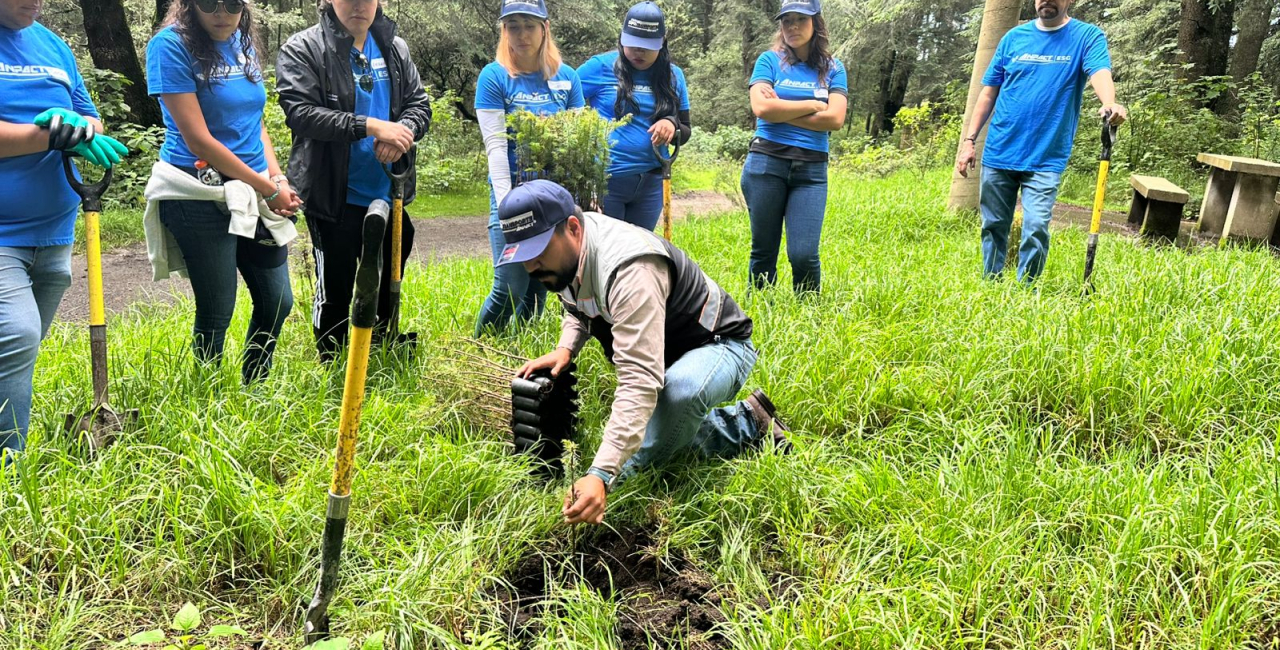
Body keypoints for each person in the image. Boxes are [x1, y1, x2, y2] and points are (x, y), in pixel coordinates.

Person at [506, 180, 791, 526]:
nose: (532, 267)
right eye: (523, 257)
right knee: (656, 427)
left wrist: (602, 473)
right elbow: (576, 303)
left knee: (675, 401)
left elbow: (640, 382)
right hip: (664, 352)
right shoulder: (567, 256)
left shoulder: (630, 269)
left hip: (718, 345)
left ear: (573, 228)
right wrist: (566, 348)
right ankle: (730, 423)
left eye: (537, 252)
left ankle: (750, 424)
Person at [144, 0, 302, 384]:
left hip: (254, 187)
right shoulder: (169, 45)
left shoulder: (242, 40)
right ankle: (208, 397)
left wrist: (277, 178)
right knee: (218, 308)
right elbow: (199, 140)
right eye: (209, 3)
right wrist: (266, 188)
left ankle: (255, 382)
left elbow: (254, 121)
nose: (221, 13)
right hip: (197, 192)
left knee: (278, 300)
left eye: (232, 4)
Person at [0, 0, 127, 467]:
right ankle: (9, 473)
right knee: (16, 334)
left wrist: (81, 127)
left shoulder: (51, 44)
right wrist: (47, 136)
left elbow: (89, 115)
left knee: (18, 348)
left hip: (55, 230)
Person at [277, 0, 431, 360]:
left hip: (388, 191)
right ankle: (332, 364)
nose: (359, 4)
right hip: (334, 195)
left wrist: (402, 133)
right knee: (336, 287)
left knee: (388, 274)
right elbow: (301, 114)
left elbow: (419, 105)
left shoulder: (394, 47)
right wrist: (371, 126)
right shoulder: (303, 49)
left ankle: (376, 350)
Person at [955, 0, 1126, 283]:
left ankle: (1027, 288)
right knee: (994, 225)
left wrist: (1110, 103)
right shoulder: (1013, 38)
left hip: (1046, 155)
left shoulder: (1086, 36)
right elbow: (988, 94)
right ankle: (990, 282)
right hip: (1000, 149)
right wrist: (969, 141)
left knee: (1036, 226)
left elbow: (1099, 71)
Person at [473, 0, 584, 336]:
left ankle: (518, 354)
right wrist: (507, 207)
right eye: (513, 26)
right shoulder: (494, 77)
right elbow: (495, 146)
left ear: (544, 28)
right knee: (509, 287)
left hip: (552, 200)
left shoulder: (567, 78)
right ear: (504, 30)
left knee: (540, 289)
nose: (521, 34)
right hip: (513, 197)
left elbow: (575, 144)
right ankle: (480, 348)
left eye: (529, 25)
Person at [742, 0, 847, 295]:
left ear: (816, 23)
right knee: (763, 251)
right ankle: (759, 314)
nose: (793, 27)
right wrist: (814, 105)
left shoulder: (833, 68)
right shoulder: (769, 61)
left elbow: (836, 119)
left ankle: (808, 318)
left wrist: (783, 109)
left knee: (804, 254)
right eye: (787, 20)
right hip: (766, 164)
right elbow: (762, 108)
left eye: (801, 19)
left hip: (811, 171)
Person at [577, 1, 690, 231]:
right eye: (633, 44)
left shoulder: (673, 76)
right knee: (607, 251)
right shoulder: (599, 67)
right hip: (606, 182)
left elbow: (686, 128)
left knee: (640, 252)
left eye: (647, 46)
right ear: (622, 38)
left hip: (653, 181)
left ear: (662, 43)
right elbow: (566, 102)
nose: (639, 52)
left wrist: (671, 123)